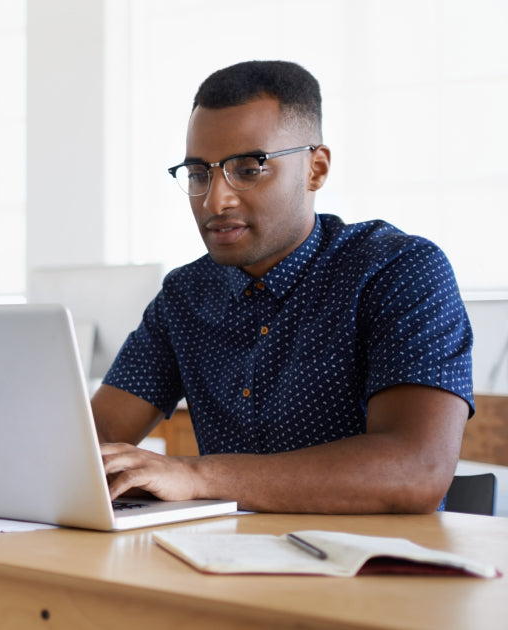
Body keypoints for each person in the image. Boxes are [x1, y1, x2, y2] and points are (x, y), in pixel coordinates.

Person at [91, 60, 474, 514]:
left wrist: (196, 475)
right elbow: (92, 439)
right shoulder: (186, 296)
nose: (215, 200)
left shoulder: (398, 271)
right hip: (218, 565)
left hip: (369, 569)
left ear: (315, 169)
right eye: (199, 174)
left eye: (248, 169)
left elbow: (415, 470)